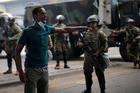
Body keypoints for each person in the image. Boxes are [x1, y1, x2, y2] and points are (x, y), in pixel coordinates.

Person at [15, 6, 88, 93]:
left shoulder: (46, 29)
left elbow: (64, 29)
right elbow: (17, 51)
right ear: (35, 16)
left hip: (44, 70)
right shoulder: (27, 32)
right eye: (42, 14)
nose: (45, 15)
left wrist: (80, 28)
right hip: (31, 70)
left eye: (45, 13)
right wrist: (20, 72)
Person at [81, 15, 108, 93]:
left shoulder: (100, 33)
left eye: (94, 23)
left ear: (96, 23)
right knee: (87, 74)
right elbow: (79, 42)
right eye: (91, 23)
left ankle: (103, 91)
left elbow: (104, 45)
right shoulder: (85, 33)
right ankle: (88, 89)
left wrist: (98, 52)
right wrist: (83, 45)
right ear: (88, 24)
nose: (92, 24)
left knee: (100, 74)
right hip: (88, 58)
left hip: (97, 57)